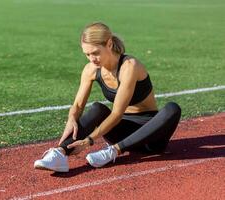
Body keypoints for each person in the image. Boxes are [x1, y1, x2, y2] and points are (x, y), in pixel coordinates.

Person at [34, 22, 181, 172]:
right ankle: (60, 153)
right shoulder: (90, 70)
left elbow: (117, 113)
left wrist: (89, 141)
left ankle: (113, 151)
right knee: (98, 108)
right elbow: (78, 105)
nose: (92, 59)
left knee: (172, 108)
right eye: (87, 54)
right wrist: (72, 117)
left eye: (96, 52)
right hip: (120, 133)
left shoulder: (130, 66)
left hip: (150, 137)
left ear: (109, 44)